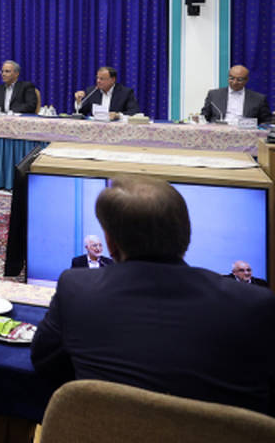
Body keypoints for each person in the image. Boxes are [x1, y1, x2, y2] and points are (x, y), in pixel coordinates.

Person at [31, 176, 275, 414]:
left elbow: (45, 363)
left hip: (105, 428)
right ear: (186, 234)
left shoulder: (76, 289)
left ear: (110, 244)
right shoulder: (255, 305)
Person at [202, 65, 271, 124]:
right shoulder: (214, 95)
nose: (235, 82)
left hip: (245, 132)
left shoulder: (259, 99)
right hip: (218, 131)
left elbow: (266, 122)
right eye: (231, 78)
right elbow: (204, 117)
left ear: (246, 80)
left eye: (239, 80)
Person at [74, 66, 139, 118]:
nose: (98, 81)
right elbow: (81, 113)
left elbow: (134, 112)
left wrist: (118, 115)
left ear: (112, 80)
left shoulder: (125, 92)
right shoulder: (92, 91)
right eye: (97, 78)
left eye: (102, 79)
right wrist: (78, 101)